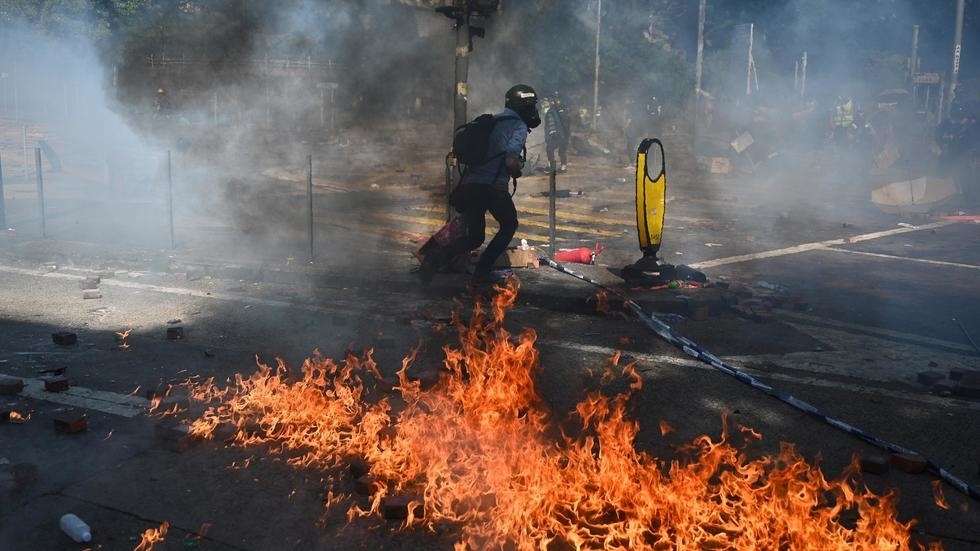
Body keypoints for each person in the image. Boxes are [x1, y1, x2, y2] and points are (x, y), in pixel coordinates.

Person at [420, 84, 540, 287]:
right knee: (510, 224)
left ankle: (434, 258)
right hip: (490, 188)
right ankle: (482, 271)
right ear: (525, 106)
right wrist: (518, 167)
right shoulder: (518, 126)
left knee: (475, 237)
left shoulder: (495, 120)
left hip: (470, 186)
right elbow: (510, 161)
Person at [544, 91, 571, 172]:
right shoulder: (564, 109)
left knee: (549, 149)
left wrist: (552, 132)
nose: (550, 101)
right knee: (562, 150)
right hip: (565, 134)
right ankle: (563, 167)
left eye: (551, 100)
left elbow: (551, 123)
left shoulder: (552, 111)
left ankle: (551, 166)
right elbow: (568, 122)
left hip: (557, 134)